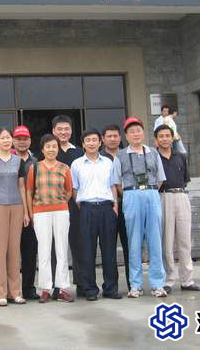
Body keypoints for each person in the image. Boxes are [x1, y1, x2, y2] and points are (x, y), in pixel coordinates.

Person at [112, 117, 167, 298]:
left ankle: (157, 284)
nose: (135, 134)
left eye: (138, 131)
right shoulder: (120, 155)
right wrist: (130, 193)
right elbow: (116, 182)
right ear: (126, 136)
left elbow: (160, 179)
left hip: (151, 193)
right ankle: (135, 285)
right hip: (131, 195)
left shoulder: (153, 152)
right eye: (131, 131)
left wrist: (149, 191)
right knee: (133, 241)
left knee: (155, 240)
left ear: (143, 133)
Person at [71, 129, 120, 301]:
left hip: (107, 208)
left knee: (109, 250)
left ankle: (111, 288)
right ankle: (90, 289)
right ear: (83, 144)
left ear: (100, 143)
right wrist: (84, 206)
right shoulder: (76, 164)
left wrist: (115, 207)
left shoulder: (108, 162)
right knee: (87, 251)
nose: (91, 143)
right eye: (88, 140)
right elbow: (75, 189)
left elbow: (113, 186)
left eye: (94, 140)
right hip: (87, 209)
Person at [26, 134, 74, 303]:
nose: (51, 149)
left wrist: (59, 203)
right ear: (42, 149)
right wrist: (31, 212)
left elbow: (69, 191)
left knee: (62, 249)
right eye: (48, 147)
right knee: (44, 250)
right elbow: (29, 191)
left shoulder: (64, 168)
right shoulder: (34, 168)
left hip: (61, 211)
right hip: (40, 212)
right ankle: (45, 289)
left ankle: (62, 288)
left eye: (54, 146)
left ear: (58, 149)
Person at [0, 128, 30, 306]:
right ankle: (1, 293)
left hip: (17, 206)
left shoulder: (18, 161)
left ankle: (15, 292)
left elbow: (22, 187)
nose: (6, 140)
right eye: (2, 138)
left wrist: (25, 211)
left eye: (8, 137)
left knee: (14, 250)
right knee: (0, 251)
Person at [155, 125, 200, 295]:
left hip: (181, 196)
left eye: (167, 135)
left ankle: (187, 280)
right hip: (164, 197)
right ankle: (168, 280)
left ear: (172, 137)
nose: (164, 139)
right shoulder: (154, 157)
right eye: (161, 136)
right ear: (156, 139)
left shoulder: (181, 157)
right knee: (166, 242)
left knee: (184, 240)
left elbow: (185, 179)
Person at [52, 115, 85, 298]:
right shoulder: (49, 151)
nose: (63, 132)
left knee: (79, 244)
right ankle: (57, 287)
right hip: (54, 206)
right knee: (56, 247)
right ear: (53, 131)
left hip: (75, 205)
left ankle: (82, 283)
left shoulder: (79, 152)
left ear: (71, 131)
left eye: (66, 129)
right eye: (60, 129)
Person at [100, 124, 130, 292]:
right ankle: (111, 287)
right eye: (109, 136)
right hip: (108, 208)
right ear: (103, 139)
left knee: (130, 246)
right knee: (108, 248)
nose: (112, 139)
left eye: (115, 136)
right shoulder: (98, 158)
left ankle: (133, 284)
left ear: (120, 138)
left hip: (128, 205)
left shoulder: (128, 155)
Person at [12, 125, 40, 300]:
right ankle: (11, 290)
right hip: (11, 211)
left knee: (30, 252)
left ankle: (29, 288)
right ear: (13, 141)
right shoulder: (6, 160)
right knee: (11, 253)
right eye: (18, 139)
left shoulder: (35, 162)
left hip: (31, 212)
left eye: (25, 139)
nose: (22, 142)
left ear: (30, 141)